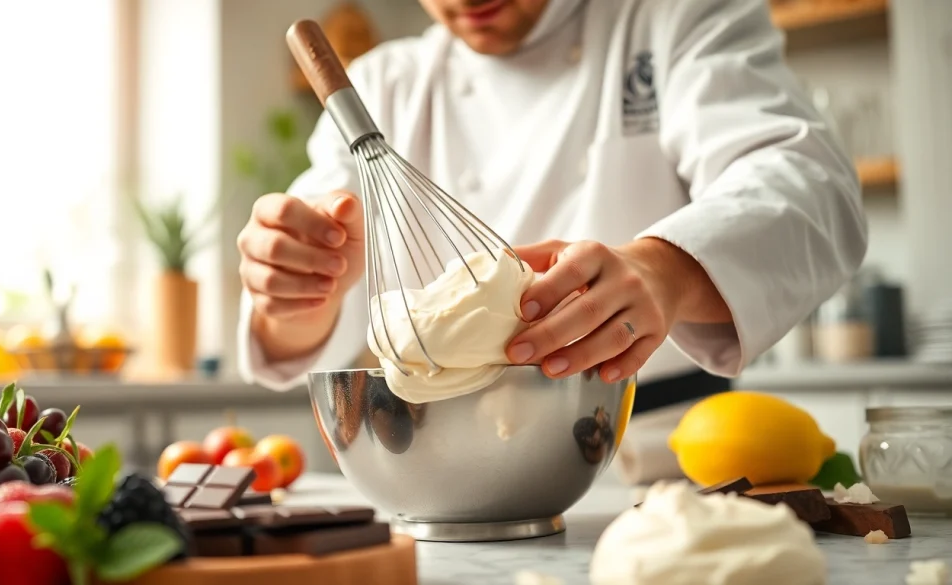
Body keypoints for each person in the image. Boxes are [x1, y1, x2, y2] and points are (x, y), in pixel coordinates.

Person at [235, 0, 867, 414]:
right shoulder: (381, 86)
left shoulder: (674, 16)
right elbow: (298, 330)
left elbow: (809, 182)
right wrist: (293, 286)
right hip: (439, 442)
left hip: (659, 440)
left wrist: (666, 270)